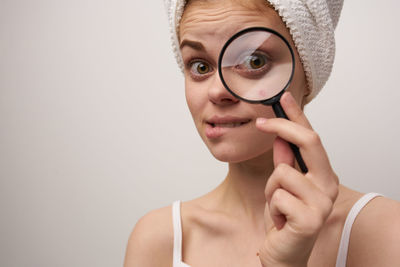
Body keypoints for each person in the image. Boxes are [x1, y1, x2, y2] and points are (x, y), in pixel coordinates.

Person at [124, 0, 400, 266]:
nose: (217, 91)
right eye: (200, 66)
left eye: (255, 61)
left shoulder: (386, 233)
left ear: (308, 72)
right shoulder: (158, 239)